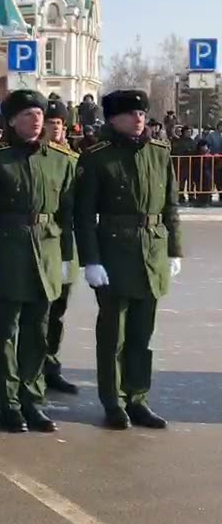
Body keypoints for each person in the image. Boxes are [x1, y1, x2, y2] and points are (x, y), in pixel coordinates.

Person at [75, 90, 180, 430]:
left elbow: (171, 206)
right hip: (115, 253)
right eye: (131, 113)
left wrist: (174, 250)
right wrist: (90, 260)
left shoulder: (160, 152)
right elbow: (84, 214)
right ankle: (113, 402)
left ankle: (137, 398)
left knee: (142, 333)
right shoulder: (96, 157)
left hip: (152, 252)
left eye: (141, 112)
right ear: (112, 119)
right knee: (113, 334)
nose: (138, 118)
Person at [0, 89, 75, 434]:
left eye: (39, 115)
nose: (36, 121)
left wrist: (66, 259)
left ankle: (33, 399)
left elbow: (68, 215)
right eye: (28, 115)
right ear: (13, 120)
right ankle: (9, 403)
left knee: (38, 331)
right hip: (7, 250)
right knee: (4, 332)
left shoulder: (60, 159)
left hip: (46, 252)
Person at [42, 99, 81, 395]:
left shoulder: (73, 160)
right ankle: (30, 367)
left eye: (59, 123)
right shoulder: (36, 157)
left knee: (58, 310)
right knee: (36, 312)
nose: (55, 128)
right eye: (50, 122)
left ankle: (50, 364)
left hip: (66, 245)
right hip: (40, 243)